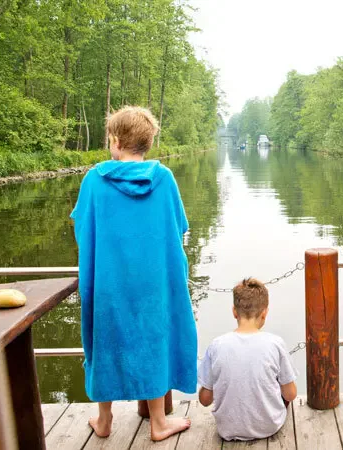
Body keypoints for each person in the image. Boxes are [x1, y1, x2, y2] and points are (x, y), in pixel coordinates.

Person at [71, 106, 197, 441]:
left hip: (108, 284)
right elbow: (179, 228)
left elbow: (82, 230)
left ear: (114, 140)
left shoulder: (94, 181)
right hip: (154, 284)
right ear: (148, 142)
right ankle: (158, 423)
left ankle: (104, 419)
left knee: (103, 342)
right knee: (153, 341)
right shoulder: (164, 179)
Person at [198, 278, 298, 441]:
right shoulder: (275, 343)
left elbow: (204, 400)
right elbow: (291, 394)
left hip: (226, 429)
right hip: (269, 426)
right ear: (265, 312)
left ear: (234, 311)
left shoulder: (217, 345)